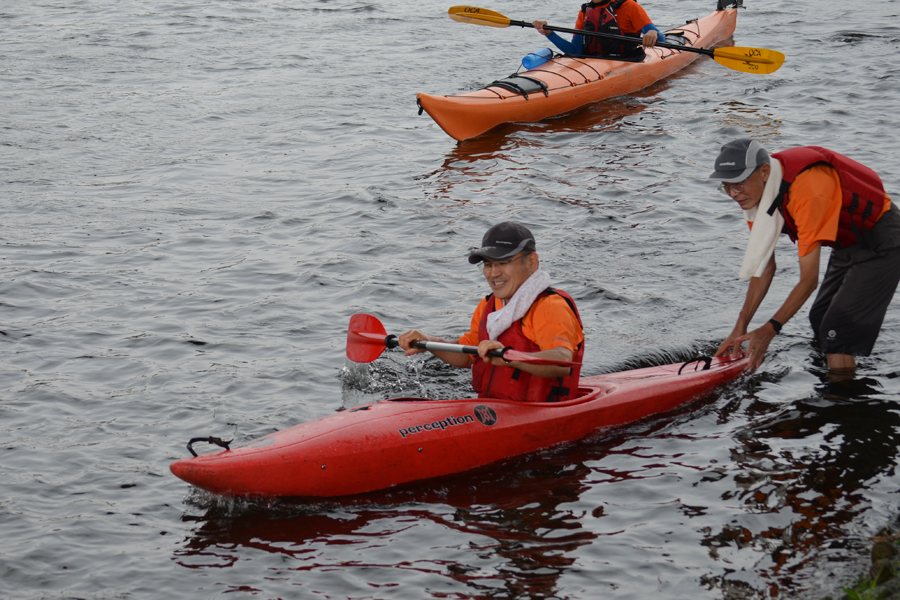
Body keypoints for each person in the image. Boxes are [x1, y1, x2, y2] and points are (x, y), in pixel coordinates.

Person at [709, 138, 900, 376]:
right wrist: (741, 325)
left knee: (836, 330)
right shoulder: (754, 195)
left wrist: (771, 328)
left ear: (765, 172)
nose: (734, 194)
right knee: (819, 319)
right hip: (846, 243)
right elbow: (764, 267)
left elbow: (808, 280)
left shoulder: (808, 192)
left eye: (739, 184)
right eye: (726, 186)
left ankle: (841, 399)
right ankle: (832, 371)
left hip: (881, 241)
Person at [398, 222, 585, 402]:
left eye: (503, 262)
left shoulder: (550, 306)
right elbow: (468, 355)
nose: (493, 273)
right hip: (497, 409)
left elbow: (562, 361)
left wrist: (508, 356)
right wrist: (429, 343)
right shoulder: (489, 305)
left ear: (532, 262)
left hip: (543, 411)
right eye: (488, 264)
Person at [532, 0, 666, 60]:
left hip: (627, 60)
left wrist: (652, 33)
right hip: (594, 61)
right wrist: (550, 34)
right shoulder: (585, 11)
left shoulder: (629, 6)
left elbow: (660, 39)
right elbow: (575, 50)